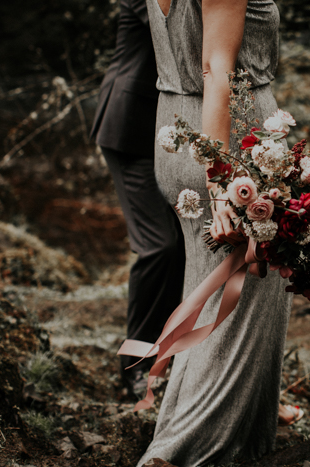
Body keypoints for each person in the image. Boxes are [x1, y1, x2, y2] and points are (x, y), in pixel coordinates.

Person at [137, 0, 298, 464]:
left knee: (208, 297)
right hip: (228, 145)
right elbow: (215, 68)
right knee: (240, 306)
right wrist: (219, 178)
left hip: (175, 129)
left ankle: (210, 434)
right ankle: (182, 452)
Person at [90, 0, 186, 399]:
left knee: (182, 248)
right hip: (131, 129)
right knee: (160, 247)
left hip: (167, 134)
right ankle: (135, 364)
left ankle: (168, 356)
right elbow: (180, 35)